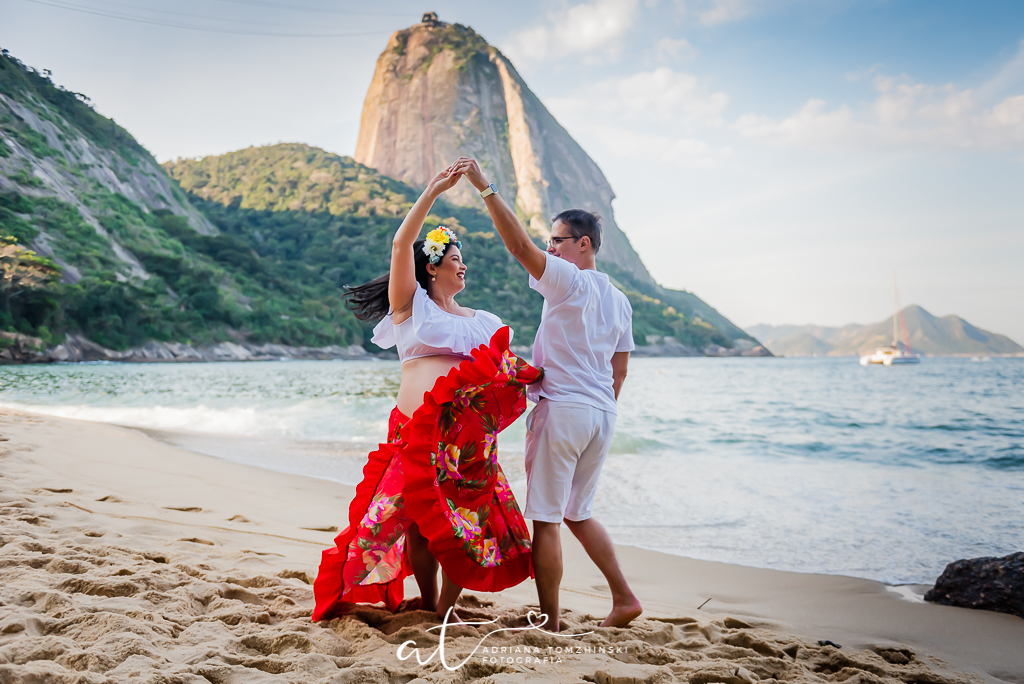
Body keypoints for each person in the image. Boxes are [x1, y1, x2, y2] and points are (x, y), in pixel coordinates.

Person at [311, 164, 541, 622]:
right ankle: (431, 600)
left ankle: (446, 607)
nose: (464, 265)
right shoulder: (411, 305)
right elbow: (401, 244)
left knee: (466, 522)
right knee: (416, 518)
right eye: (456, 258)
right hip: (416, 429)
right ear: (432, 266)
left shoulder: (484, 320)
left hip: (466, 438)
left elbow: (503, 371)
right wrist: (434, 190)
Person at [448, 157, 643, 632]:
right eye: (550, 241)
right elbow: (619, 369)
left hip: (564, 411)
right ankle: (624, 598)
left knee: (548, 518)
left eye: (557, 240)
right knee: (579, 513)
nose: (550, 248)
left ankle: (550, 622)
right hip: (602, 415)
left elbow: (518, 245)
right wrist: (599, 405)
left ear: (583, 244)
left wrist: (484, 186)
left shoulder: (569, 280)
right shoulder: (620, 300)